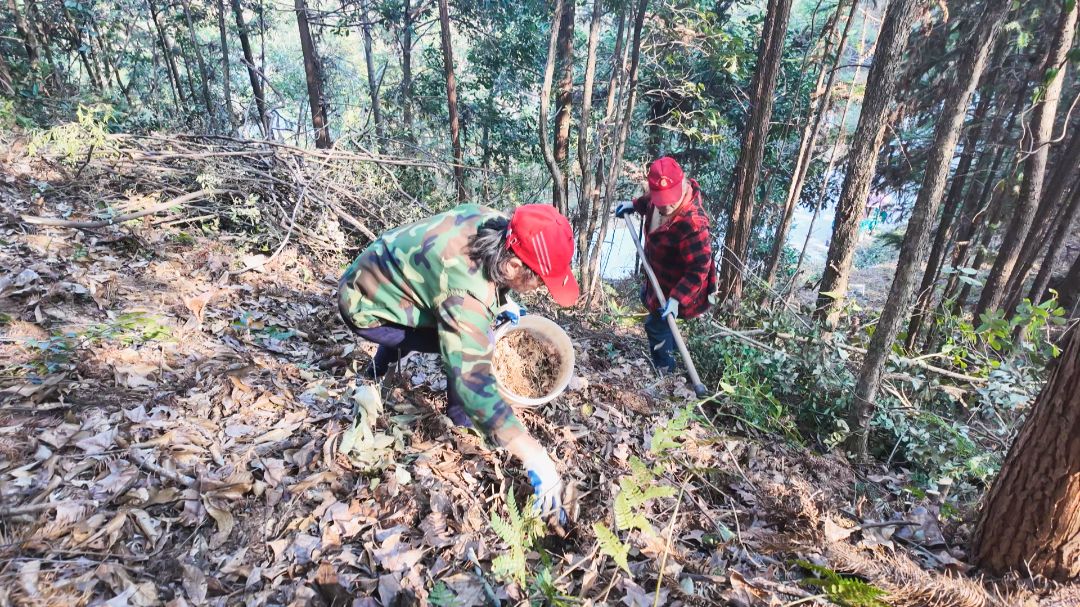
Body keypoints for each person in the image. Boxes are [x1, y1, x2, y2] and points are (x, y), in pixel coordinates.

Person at [337, 203, 579, 521]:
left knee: (472, 331)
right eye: (539, 281)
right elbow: (473, 379)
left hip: (386, 277)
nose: (541, 289)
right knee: (468, 344)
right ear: (514, 266)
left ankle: (376, 371)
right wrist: (534, 455)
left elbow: (474, 279)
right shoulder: (465, 295)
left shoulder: (496, 224)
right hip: (365, 306)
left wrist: (501, 301)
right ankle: (457, 416)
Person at [615, 156, 716, 373]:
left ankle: (666, 373)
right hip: (660, 276)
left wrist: (677, 298)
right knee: (647, 300)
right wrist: (633, 205)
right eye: (662, 201)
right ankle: (672, 351)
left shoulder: (693, 224)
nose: (666, 206)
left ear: (682, 185)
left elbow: (700, 268)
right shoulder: (659, 197)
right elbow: (651, 201)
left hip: (679, 285)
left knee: (656, 325)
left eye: (671, 199)